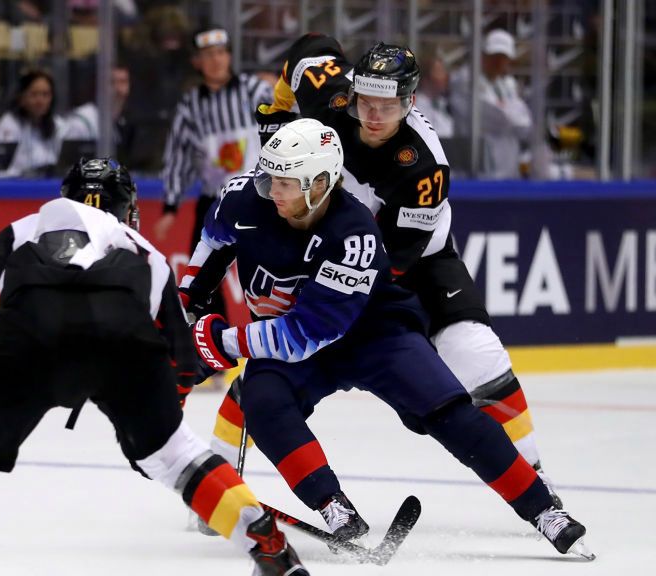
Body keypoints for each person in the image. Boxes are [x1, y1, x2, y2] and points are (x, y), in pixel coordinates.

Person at [0, 158, 310, 576]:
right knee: (178, 458)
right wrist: (153, 429)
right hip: (122, 332)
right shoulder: (146, 252)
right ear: (129, 210)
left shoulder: (24, 229)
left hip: (32, 329)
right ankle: (263, 540)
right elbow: (179, 362)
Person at [182, 118, 592, 560]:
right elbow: (209, 251)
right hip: (294, 337)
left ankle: (544, 511)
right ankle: (333, 506)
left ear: (320, 183)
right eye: (268, 178)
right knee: (263, 405)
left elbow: (304, 335)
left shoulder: (353, 235)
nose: (270, 191)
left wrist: (220, 342)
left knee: (449, 412)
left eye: (284, 182)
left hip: (373, 333)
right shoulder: (243, 199)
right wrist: (186, 313)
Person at [252, 34, 566, 509]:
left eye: (389, 104)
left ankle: (533, 473)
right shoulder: (329, 95)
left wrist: (328, 292)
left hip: (416, 261)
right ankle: (217, 465)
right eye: (366, 101)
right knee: (269, 363)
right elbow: (308, 50)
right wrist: (276, 117)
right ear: (351, 90)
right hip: (331, 246)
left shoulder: (424, 165)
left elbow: (396, 258)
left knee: (476, 353)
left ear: (410, 102)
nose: (374, 115)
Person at [153, 27, 273, 319]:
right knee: (204, 274)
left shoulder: (255, 90)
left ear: (229, 55)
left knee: (270, 267)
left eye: (220, 53)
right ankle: (213, 345)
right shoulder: (190, 106)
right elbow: (178, 155)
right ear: (197, 62)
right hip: (216, 200)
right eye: (208, 55)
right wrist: (171, 205)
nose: (216, 60)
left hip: (262, 196)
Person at [449, 28, 533, 179]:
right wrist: (509, 110)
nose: (498, 62)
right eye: (494, 56)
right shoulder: (466, 79)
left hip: (508, 166)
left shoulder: (507, 84)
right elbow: (497, 117)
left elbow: (525, 124)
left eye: (503, 57)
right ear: (483, 55)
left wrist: (506, 110)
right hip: (477, 167)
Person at [0, 68, 67, 177]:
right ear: (21, 97)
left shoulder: (59, 125)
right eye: (34, 94)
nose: (40, 101)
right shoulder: (8, 124)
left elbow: (66, 165)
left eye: (45, 94)